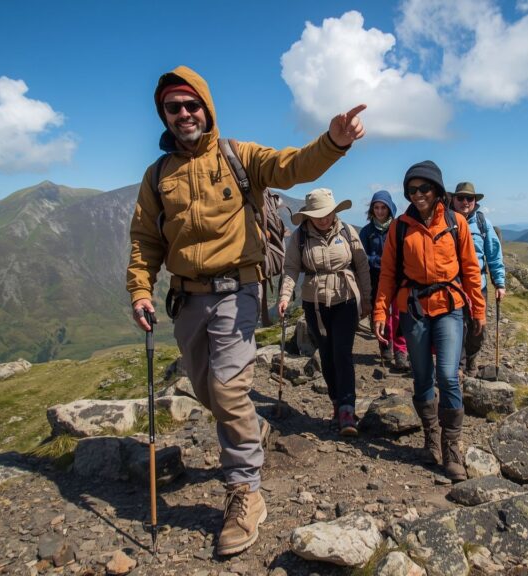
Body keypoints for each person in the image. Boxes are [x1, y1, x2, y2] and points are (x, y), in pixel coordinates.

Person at [126, 65, 365, 556]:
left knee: (228, 388)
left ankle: (245, 493)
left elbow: (292, 166)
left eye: (191, 104)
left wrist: (333, 143)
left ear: (206, 108)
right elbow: (145, 239)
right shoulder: (157, 176)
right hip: (186, 299)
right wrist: (140, 290)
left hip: (238, 293)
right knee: (206, 390)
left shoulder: (239, 156)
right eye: (173, 107)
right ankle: (249, 432)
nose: (184, 113)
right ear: (164, 115)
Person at [372, 161, 485, 482]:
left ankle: (452, 448)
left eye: (424, 188)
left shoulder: (455, 222)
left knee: (447, 375)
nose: (418, 194)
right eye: (412, 190)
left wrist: (478, 310)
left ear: (436, 189)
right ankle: (430, 439)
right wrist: (380, 312)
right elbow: (388, 273)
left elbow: (470, 269)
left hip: (449, 306)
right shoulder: (400, 227)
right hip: (413, 308)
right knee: (421, 376)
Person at [277, 188, 371, 436]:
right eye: (318, 215)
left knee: (342, 352)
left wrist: (367, 299)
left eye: (327, 213)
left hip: (345, 299)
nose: (324, 219)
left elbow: (361, 265)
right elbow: (291, 268)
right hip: (315, 303)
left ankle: (347, 410)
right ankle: (336, 403)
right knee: (327, 354)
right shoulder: (300, 237)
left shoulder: (347, 231)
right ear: (309, 215)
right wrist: (285, 296)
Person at [451, 182, 506, 378]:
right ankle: (458, 366)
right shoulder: (446, 221)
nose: (465, 202)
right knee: (457, 327)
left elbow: (494, 254)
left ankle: (471, 360)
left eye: (470, 198)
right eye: (460, 198)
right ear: (453, 199)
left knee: (478, 326)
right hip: (453, 286)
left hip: (478, 285)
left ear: (475, 201)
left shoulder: (483, 223)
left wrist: (499, 283)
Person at [358, 190, 409, 371]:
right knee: (381, 314)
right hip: (375, 279)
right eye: (376, 207)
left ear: (390, 208)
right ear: (372, 209)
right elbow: (362, 257)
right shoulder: (366, 232)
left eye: (383, 208)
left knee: (399, 314)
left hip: (397, 278)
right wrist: (378, 261)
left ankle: (401, 351)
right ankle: (385, 345)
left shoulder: (398, 228)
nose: (380, 211)